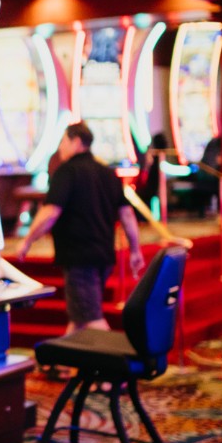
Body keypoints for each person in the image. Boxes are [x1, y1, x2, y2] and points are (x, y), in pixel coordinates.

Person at [18, 121, 145, 332]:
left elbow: (50, 212)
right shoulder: (107, 172)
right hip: (103, 256)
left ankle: (115, 362)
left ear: (76, 142)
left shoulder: (67, 172)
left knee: (91, 319)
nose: (60, 148)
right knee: (79, 317)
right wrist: (135, 249)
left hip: (80, 258)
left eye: (63, 141)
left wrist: (27, 241)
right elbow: (127, 214)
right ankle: (67, 364)